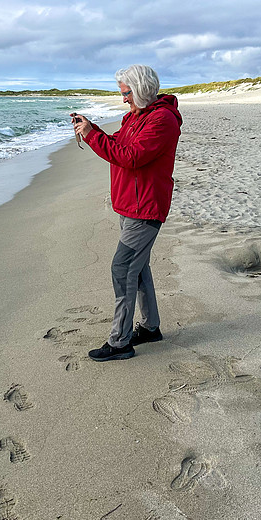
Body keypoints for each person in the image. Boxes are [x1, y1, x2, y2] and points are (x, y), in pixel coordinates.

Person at [72, 65, 182, 361]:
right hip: (130, 206)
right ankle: (149, 328)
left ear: (141, 90)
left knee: (122, 269)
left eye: (126, 93)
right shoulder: (134, 117)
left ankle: (120, 342)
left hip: (145, 209)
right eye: (122, 93)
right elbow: (119, 144)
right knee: (137, 267)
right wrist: (92, 129)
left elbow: (130, 157)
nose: (123, 99)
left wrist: (93, 137)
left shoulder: (162, 121)